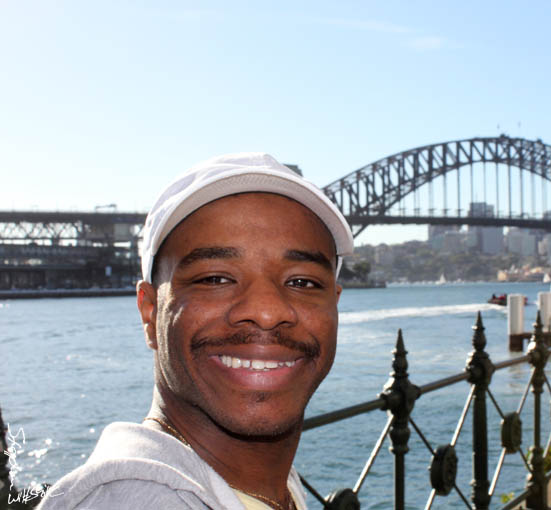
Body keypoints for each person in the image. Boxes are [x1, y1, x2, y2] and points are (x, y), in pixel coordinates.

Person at [38, 153, 354, 509]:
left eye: (303, 282)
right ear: (150, 312)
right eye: (214, 278)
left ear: (335, 303)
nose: (267, 311)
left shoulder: (258, 486)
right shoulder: (134, 500)